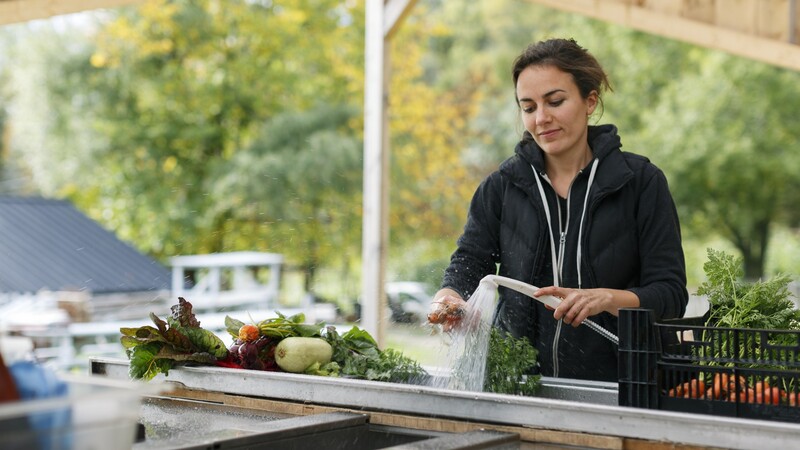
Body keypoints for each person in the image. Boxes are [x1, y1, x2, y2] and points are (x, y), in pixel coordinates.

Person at [429, 38, 688, 382]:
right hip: (520, 384)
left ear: (590, 101)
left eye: (555, 101)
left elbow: (670, 294)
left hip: (625, 386)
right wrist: (448, 299)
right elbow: (469, 263)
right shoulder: (501, 186)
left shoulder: (640, 183)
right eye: (529, 107)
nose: (542, 118)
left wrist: (606, 299)